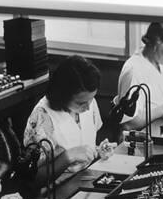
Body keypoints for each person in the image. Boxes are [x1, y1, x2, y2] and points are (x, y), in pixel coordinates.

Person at [23, 55, 113, 186]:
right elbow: (33, 178)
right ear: (62, 95)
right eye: (81, 103)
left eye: (91, 99)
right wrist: (67, 157)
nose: (88, 107)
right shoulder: (42, 116)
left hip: (86, 178)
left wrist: (98, 151)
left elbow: (83, 145)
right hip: (58, 189)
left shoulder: (88, 102)